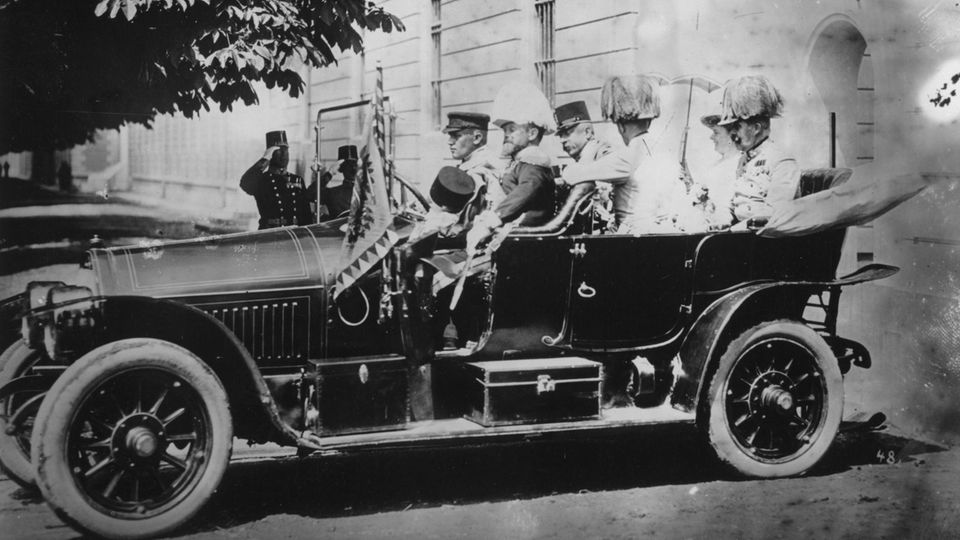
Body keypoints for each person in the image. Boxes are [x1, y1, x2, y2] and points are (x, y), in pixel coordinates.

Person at [559, 74, 682, 234]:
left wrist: (578, 161)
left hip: (632, 239)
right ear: (649, 121)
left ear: (621, 127)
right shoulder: (663, 153)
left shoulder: (628, 156)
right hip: (662, 235)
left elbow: (572, 175)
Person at [467, 83, 557, 250]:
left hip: (524, 243)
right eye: (504, 130)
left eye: (512, 129)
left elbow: (523, 193)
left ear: (532, 134)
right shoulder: (520, 163)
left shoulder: (534, 163)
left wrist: (491, 221)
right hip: (512, 237)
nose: (506, 135)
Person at [716, 75, 800, 224]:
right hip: (741, 236)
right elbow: (731, 204)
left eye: (736, 127)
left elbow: (774, 216)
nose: (731, 134)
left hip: (765, 241)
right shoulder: (743, 160)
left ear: (756, 128)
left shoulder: (782, 161)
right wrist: (721, 221)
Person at [240, 130, 313, 230]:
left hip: (294, 234)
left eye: (286, 149)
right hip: (270, 235)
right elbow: (245, 183)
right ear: (271, 154)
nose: (284, 154)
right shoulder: (262, 180)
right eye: (278, 150)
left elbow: (306, 215)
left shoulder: (297, 180)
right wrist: (265, 159)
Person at [444, 112, 504, 209]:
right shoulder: (470, 164)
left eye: (456, 136)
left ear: (477, 138)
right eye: (450, 136)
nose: (450, 142)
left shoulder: (484, 168)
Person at [315, 145, 359, 220]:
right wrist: (330, 173)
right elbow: (310, 195)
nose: (353, 168)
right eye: (349, 165)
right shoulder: (333, 194)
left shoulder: (365, 193)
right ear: (341, 168)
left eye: (355, 164)